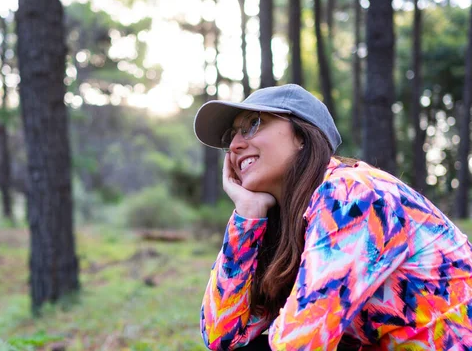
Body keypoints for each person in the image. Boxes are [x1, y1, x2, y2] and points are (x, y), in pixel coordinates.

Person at [193, 84, 472, 350]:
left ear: (302, 135)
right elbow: (222, 336)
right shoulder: (293, 221)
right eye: (232, 135)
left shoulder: (352, 194)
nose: (235, 145)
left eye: (253, 124)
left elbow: (301, 342)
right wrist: (248, 216)